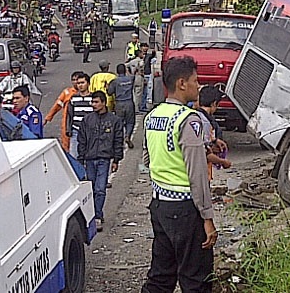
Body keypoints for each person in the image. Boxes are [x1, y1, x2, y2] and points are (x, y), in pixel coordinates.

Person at [141, 56, 217, 293]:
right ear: (182, 83)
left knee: (161, 276)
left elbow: (147, 159)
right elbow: (197, 175)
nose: (199, 86)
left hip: (160, 205)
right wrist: (207, 218)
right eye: (196, 80)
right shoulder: (188, 119)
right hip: (186, 210)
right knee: (196, 279)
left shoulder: (153, 116)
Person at [77, 91, 124, 232]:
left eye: (96, 102)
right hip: (90, 159)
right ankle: (94, 214)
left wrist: (116, 159)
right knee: (91, 189)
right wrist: (81, 158)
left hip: (104, 159)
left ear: (104, 102)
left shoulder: (114, 121)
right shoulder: (87, 120)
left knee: (100, 189)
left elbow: (118, 141)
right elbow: (82, 139)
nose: (94, 105)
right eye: (92, 102)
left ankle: (97, 216)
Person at [197, 86, 231, 181]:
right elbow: (204, 153)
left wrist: (215, 140)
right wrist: (222, 162)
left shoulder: (196, 116)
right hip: (201, 173)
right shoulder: (205, 122)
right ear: (214, 104)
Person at [44, 71, 81, 152]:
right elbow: (57, 106)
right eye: (73, 80)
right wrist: (48, 118)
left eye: (77, 80)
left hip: (81, 124)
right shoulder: (67, 92)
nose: (75, 82)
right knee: (66, 144)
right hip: (67, 123)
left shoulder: (86, 94)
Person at [66, 73, 94, 159]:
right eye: (78, 83)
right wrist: (68, 129)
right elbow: (70, 115)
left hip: (90, 132)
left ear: (88, 84)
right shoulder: (73, 98)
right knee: (74, 156)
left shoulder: (93, 98)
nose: (80, 85)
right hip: (76, 131)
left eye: (82, 83)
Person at [108, 64, 135, 149]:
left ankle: (119, 142)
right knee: (130, 122)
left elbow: (109, 92)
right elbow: (133, 75)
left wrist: (107, 87)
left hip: (119, 104)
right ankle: (127, 136)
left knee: (119, 123)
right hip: (129, 102)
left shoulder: (115, 81)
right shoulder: (130, 79)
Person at [140, 43, 153, 112]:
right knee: (140, 92)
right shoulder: (138, 57)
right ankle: (141, 106)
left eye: (146, 47)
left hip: (147, 74)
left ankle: (143, 105)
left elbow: (153, 55)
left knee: (146, 91)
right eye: (143, 47)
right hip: (141, 77)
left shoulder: (149, 56)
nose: (145, 48)